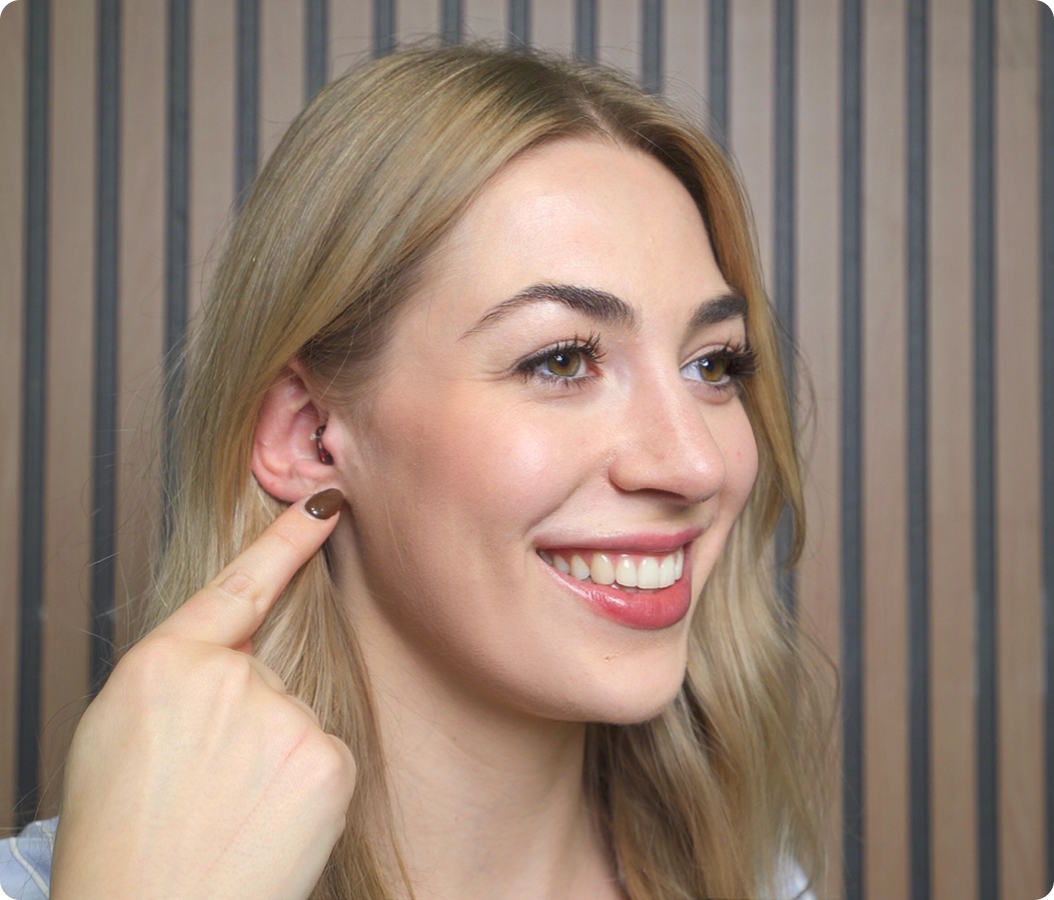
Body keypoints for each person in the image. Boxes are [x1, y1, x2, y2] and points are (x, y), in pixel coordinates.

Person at [2, 44, 830, 900]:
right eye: (561, 360)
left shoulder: (760, 883)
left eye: (714, 366)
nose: (694, 462)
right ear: (313, 436)